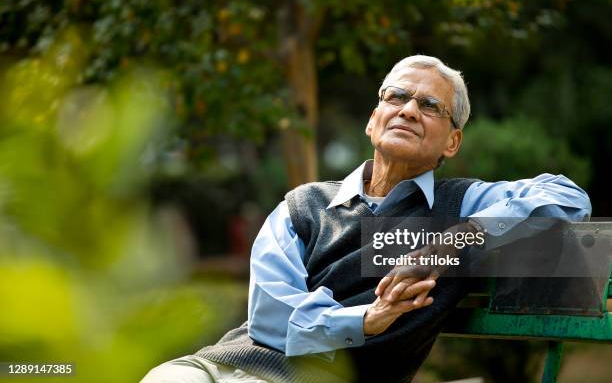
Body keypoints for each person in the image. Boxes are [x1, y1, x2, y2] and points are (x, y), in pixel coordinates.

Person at [141, 55, 591, 383]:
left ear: (451, 143)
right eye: (397, 96)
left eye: (430, 106)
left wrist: (454, 241)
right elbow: (271, 316)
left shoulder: (462, 203)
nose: (409, 110)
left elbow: (566, 196)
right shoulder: (304, 205)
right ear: (374, 119)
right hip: (220, 367)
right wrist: (365, 319)